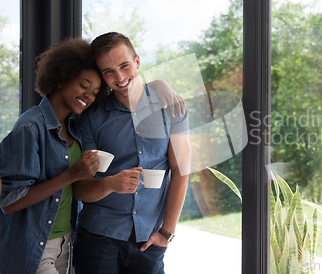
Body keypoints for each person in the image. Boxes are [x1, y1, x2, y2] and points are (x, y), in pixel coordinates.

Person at [73, 32, 191, 274]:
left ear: (137, 61)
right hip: (98, 239)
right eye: (108, 71)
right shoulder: (90, 119)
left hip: (150, 241)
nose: (119, 77)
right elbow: (80, 189)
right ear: (101, 75)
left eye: (124, 65)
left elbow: (181, 170)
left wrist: (166, 233)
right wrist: (109, 184)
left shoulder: (171, 107)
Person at [0, 38, 104, 274]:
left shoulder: (75, 126)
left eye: (95, 92)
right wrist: (73, 174)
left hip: (66, 241)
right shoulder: (29, 128)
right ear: (62, 79)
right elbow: (9, 201)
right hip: (35, 244)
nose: (89, 95)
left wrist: (160, 87)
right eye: (84, 85)